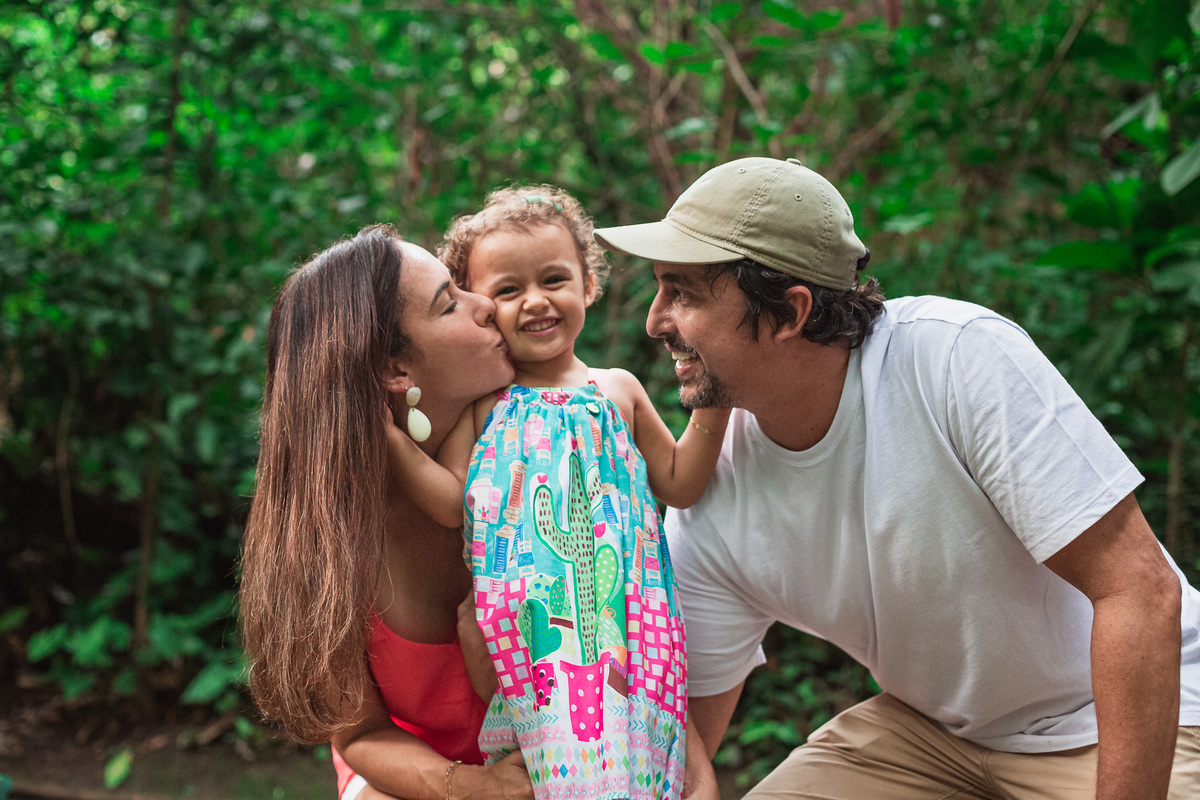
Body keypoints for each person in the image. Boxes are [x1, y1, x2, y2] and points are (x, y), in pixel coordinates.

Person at [592, 156, 1200, 800]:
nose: (655, 321)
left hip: (1132, 719)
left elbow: (1139, 591)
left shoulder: (954, 358)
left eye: (682, 293)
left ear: (791, 311)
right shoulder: (716, 486)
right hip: (933, 736)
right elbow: (681, 738)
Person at [384, 185, 726, 800]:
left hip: (627, 624)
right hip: (531, 644)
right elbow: (451, 503)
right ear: (482, 308)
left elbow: (678, 481)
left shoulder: (616, 390)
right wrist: (389, 441)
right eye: (508, 290)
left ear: (588, 286)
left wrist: (717, 401)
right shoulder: (487, 406)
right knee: (547, 773)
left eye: (554, 279)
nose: (536, 301)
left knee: (638, 763)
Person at [239, 225, 535, 800]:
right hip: (412, 783)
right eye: (451, 302)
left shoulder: (542, 445)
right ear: (395, 369)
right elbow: (361, 736)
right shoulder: (326, 533)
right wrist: (475, 788)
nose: (487, 307)